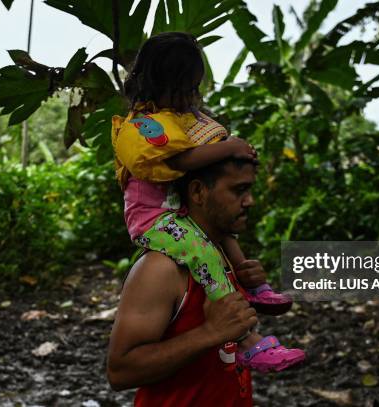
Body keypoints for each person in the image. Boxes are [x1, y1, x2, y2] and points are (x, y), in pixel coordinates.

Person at [110, 31, 304, 371]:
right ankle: (248, 340)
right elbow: (178, 161)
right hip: (153, 217)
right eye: (237, 191)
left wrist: (244, 274)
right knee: (203, 248)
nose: (250, 202)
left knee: (220, 235)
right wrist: (230, 146)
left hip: (179, 214)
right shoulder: (143, 128)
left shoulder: (180, 120)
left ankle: (254, 287)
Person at [107, 157, 262, 405]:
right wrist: (210, 333)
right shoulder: (160, 268)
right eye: (238, 190)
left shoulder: (222, 254)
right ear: (198, 192)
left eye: (250, 189)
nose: (249, 201)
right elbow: (120, 371)